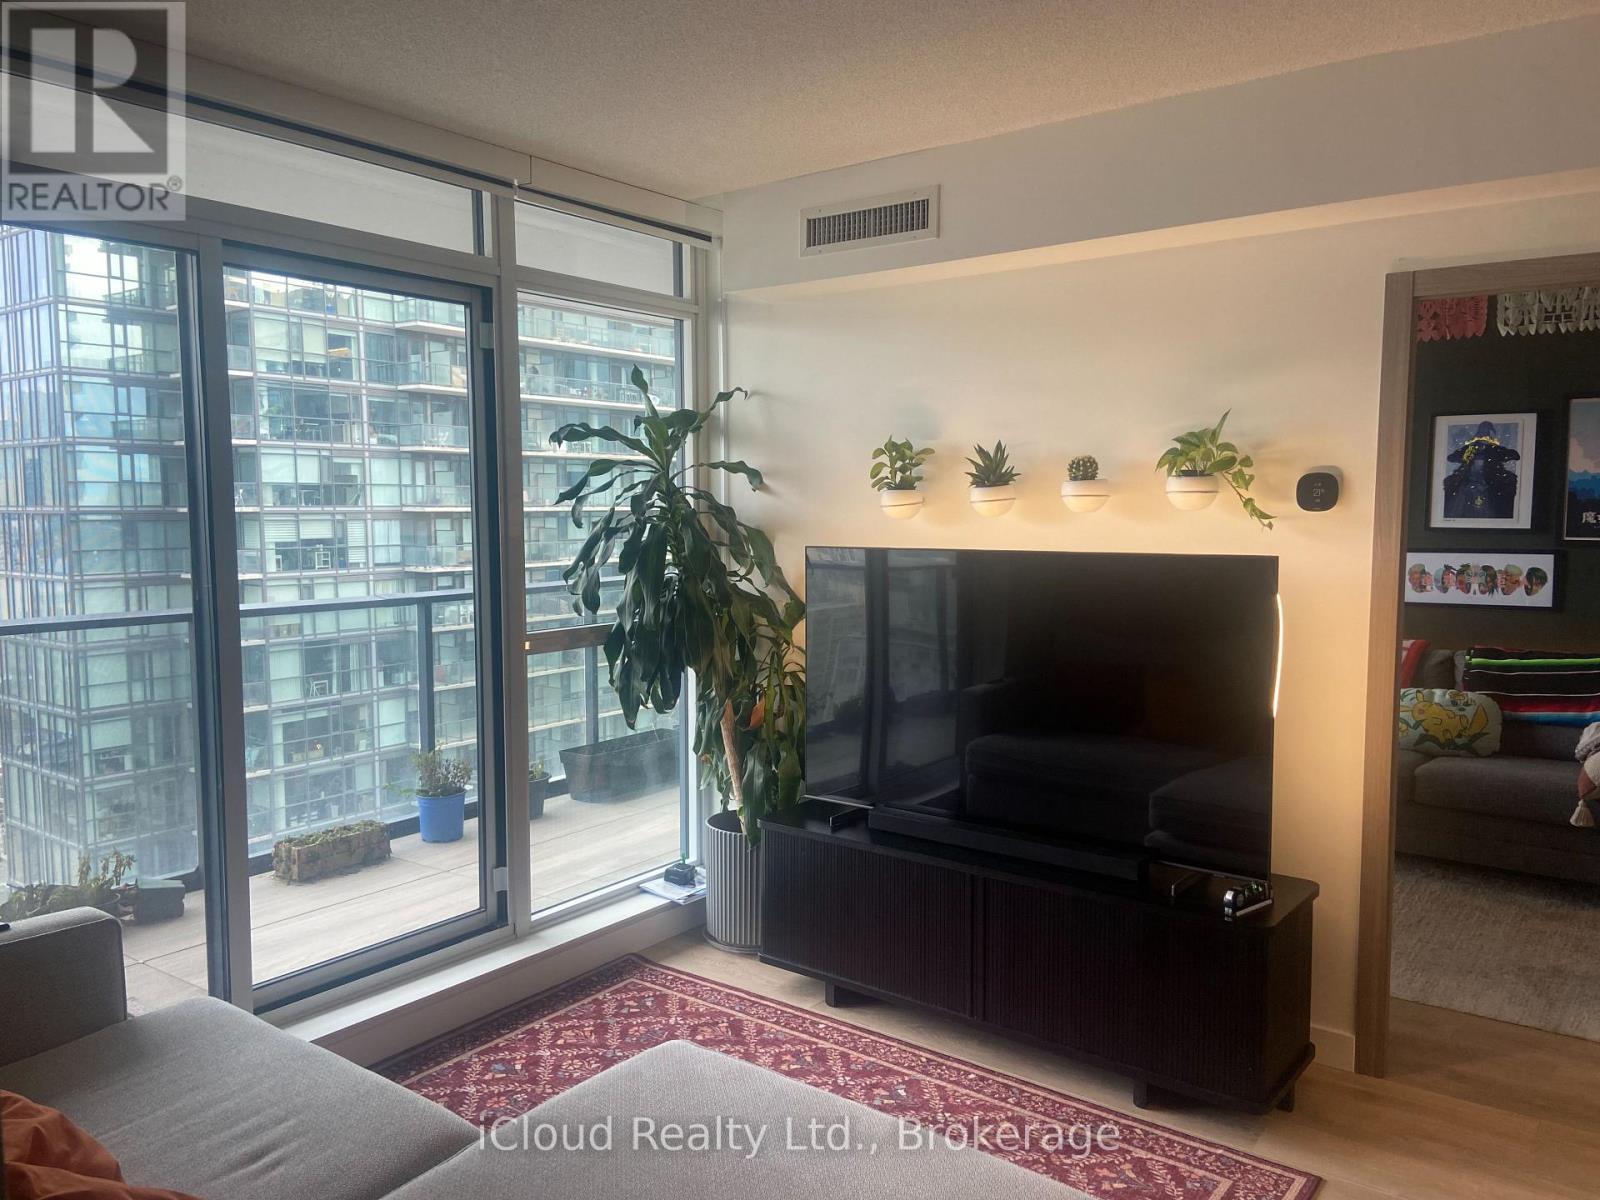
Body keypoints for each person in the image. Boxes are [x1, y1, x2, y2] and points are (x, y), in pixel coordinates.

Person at [1442, 420, 1521, 521]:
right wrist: (1467, 456)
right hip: (1470, 480)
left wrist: (1495, 455)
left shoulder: (1493, 448)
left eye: (1486, 432)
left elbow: (1515, 455)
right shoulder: (1471, 448)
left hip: (1491, 480)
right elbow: (1451, 458)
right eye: (1483, 432)